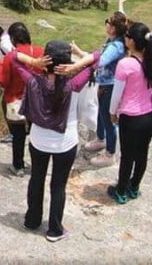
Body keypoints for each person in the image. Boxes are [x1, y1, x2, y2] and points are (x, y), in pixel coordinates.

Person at [14, 41, 100, 242]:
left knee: (36, 178)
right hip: (65, 142)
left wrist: (34, 62)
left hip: (38, 140)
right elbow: (98, 57)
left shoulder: (33, 80)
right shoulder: (74, 84)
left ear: (46, 60)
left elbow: (12, 58)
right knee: (58, 185)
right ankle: (54, 230)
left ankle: (32, 220)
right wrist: (77, 66)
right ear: (66, 63)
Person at [107, 22, 152, 204]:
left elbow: (117, 94)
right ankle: (134, 187)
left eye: (128, 36)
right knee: (142, 154)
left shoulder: (126, 64)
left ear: (131, 42)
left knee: (127, 156)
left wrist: (112, 112)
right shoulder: (151, 59)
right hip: (150, 116)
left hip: (132, 118)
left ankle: (120, 191)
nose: (125, 38)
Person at [84, 0, 128, 167]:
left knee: (109, 119)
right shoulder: (115, 39)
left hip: (110, 86)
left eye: (108, 22)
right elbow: (122, 19)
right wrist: (121, 5)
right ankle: (101, 139)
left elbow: (100, 62)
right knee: (101, 114)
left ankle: (110, 154)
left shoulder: (116, 46)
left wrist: (82, 56)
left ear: (114, 29)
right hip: (104, 84)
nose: (106, 24)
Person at [0, 22, 43, 176]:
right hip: (36, 101)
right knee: (36, 133)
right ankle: (37, 165)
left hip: (15, 100)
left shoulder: (10, 57)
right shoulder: (40, 52)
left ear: (14, 39)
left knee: (18, 135)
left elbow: (3, 81)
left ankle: (18, 166)